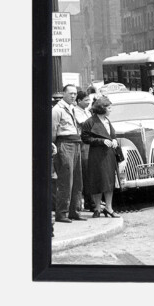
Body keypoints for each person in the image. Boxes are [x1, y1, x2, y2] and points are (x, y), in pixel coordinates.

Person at [81, 96, 121, 218]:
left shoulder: (107, 121)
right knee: (97, 181)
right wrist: (101, 141)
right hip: (97, 155)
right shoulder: (90, 122)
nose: (111, 110)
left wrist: (114, 140)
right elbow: (85, 138)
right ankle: (97, 208)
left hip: (109, 154)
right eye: (109, 108)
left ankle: (109, 208)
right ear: (102, 108)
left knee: (109, 181)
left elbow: (112, 135)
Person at [52, 84, 86, 223]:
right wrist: (53, 145)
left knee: (78, 180)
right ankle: (62, 213)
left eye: (75, 93)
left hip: (76, 143)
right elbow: (53, 130)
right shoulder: (57, 110)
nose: (73, 96)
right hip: (64, 144)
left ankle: (75, 211)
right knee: (66, 180)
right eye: (70, 93)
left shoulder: (72, 108)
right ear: (63, 94)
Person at [74, 90, 92, 211]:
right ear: (79, 101)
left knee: (90, 171)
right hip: (83, 144)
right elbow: (85, 125)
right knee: (85, 172)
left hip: (89, 143)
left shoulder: (86, 111)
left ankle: (90, 200)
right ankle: (88, 201)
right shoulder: (76, 111)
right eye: (86, 100)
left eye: (89, 100)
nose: (88, 102)